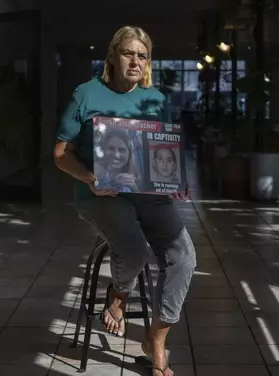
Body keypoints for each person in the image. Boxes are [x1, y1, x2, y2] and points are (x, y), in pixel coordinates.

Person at [53, 26, 196, 376]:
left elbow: (164, 151)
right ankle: (118, 292)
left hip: (148, 195)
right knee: (133, 248)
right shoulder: (85, 94)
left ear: (148, 61)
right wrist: (90, 178)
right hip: (99, 194)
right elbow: (60, 154)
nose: (135, 61)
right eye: (128, 53)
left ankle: (156, 339)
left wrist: (174, 182)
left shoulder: (156, 100)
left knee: (184, 257)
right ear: (113, 57)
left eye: (142, 55)